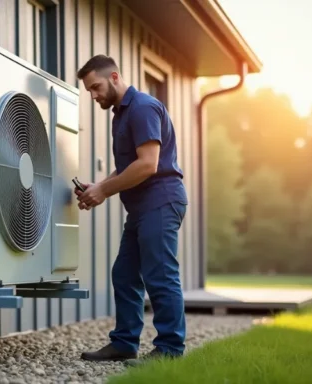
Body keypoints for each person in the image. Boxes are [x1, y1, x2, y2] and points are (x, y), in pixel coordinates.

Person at [73, 54, 188, 367]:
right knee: (124, 274)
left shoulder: (142, 108)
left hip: (161, 201)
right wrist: (98, 187)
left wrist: (104, 191)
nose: (94, 95)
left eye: (96, 87)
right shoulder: (121, 115)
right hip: (141, 208)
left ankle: (170, 351)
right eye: (89, 91)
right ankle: (124, 343)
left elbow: (148, 164)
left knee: (160, 275)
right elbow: (128, 167)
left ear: (114, 77)